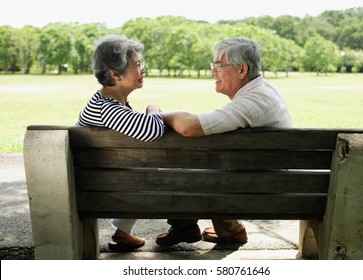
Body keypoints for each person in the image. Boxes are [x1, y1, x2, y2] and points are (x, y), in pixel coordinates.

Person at [157, 37, 293, 246]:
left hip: (264, 188)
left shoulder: (254, 101)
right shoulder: (262, 90)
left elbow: (187, 127)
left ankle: (189, 228)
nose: (213, 71)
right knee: (209, 156)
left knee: (190, 154)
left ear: (241, 70)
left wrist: (158, 114)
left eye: (219, 65)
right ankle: (224, 230)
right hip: (263, 177)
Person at [76, 35, 165, 251]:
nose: (143, 69)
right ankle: (184, 224)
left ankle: (122, 233)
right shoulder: (107, 108)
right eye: (137, 64)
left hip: (101, 178)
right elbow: (152, 130)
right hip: (99, 186)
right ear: (116, 74)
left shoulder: (106, 102)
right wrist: (153, 109)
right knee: (156, 171)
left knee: (142, 167)